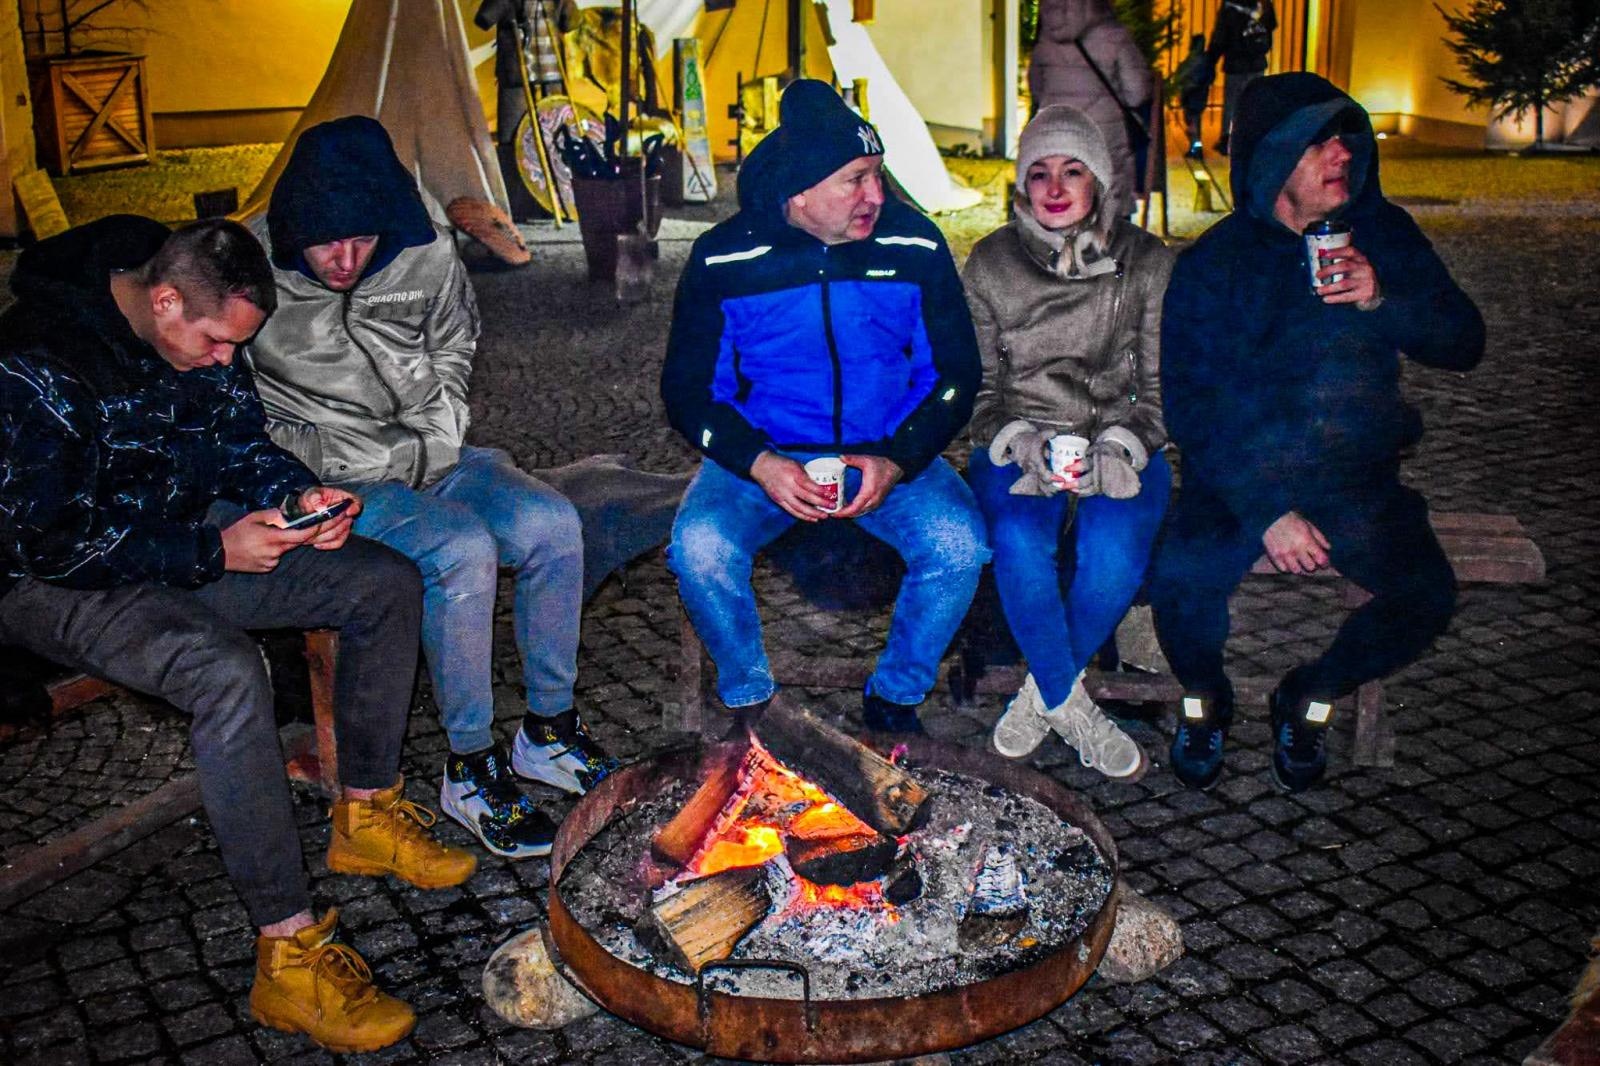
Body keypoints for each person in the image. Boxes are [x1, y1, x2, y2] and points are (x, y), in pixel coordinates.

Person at [0, 215, 476, 1053]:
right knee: (222, 669)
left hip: (177, 539)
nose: (227, 360)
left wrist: (297, 496)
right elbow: (49, 540)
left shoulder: (205, 331)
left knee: (382, 582)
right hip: (49, 580)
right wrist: (212, 548)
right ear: (166, 299)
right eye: (218, 343)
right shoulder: (38, 362)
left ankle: (365, 816)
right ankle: (286, 955)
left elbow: (236, 442)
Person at [243, 117, 612, 864]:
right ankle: (470, 765)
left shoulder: (424, 248)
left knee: (552, 525)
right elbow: (235, 401)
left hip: (438, 454)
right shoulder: (249, 267)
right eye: (323, 243)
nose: (344, 260)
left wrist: (440, 430)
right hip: (335, 479)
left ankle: (547, 729)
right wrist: (323, 463)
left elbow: (455, 342)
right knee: (461, 547)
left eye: (362, 241)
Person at [1149, 73, 1485, 793]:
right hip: (1241, 481)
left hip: (1354, 479)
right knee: (1178, 580)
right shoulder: (1214, 265)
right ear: (1272, 160)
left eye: (1345, 136)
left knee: (1424, 593)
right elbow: (1193, 406)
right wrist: (1267, 509)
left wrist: (1384, 297)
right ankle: (1204, 702)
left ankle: (1309, 696)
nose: (1343, 153)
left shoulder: (1382, 234)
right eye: (1319, 141)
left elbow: (1464, 342)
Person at [661, 79, 989, 735]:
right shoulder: (725, 256)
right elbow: (687, 392)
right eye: (856, 179)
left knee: (961, 546)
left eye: (878, 174)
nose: (877, 195)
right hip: (765, 458)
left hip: (887, 451)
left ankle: (895, 697)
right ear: (799, 192)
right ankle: (751, 699)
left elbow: (956, 373)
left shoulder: (914, 245)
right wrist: (759, 464)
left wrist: (897, 459)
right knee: (698, 547)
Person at [962, 106, 1173, 780]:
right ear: (1021, 185)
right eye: (1040, 172)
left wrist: (1122, 444)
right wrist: (1016, 439)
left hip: (1117, 438)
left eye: (1073, 170)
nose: (1055, 187)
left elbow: (1164, 387)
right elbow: (978, 386)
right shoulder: (992, 262)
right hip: (1023, 438)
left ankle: (1042, 695)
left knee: (1113, 552)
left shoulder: (1146, 262)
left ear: (1100, 183)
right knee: (1020, 540)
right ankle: (1069, 704)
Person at [1027, 0, 1153, 220]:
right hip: (1104, 134)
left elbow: (1036, 89)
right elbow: (1138, 93)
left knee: (1058, 191)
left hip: (1055, 132)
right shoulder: (1115, 37)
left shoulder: (1046, 39)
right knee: (1106, 196)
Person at [1205, 0, 1276, 155]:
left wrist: (1210, 59)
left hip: (1235, 62)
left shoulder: (1230, 5)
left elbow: (1221, 35)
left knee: (1233, 102)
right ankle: (1252, 138)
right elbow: (1270, 27)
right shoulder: (1264, 3)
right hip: (1257, 61)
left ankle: (1229, 139)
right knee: (1254, 101)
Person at [1172, 33, 1213, 159]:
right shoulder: (1206, 60)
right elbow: (1211, 76)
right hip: (1200, 94)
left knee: (1192, 123)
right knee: (1195, 122)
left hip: (1191, 94)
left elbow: (1182, 74)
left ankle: (1196, 148)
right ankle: (1195, 147)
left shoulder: (1193, 59)